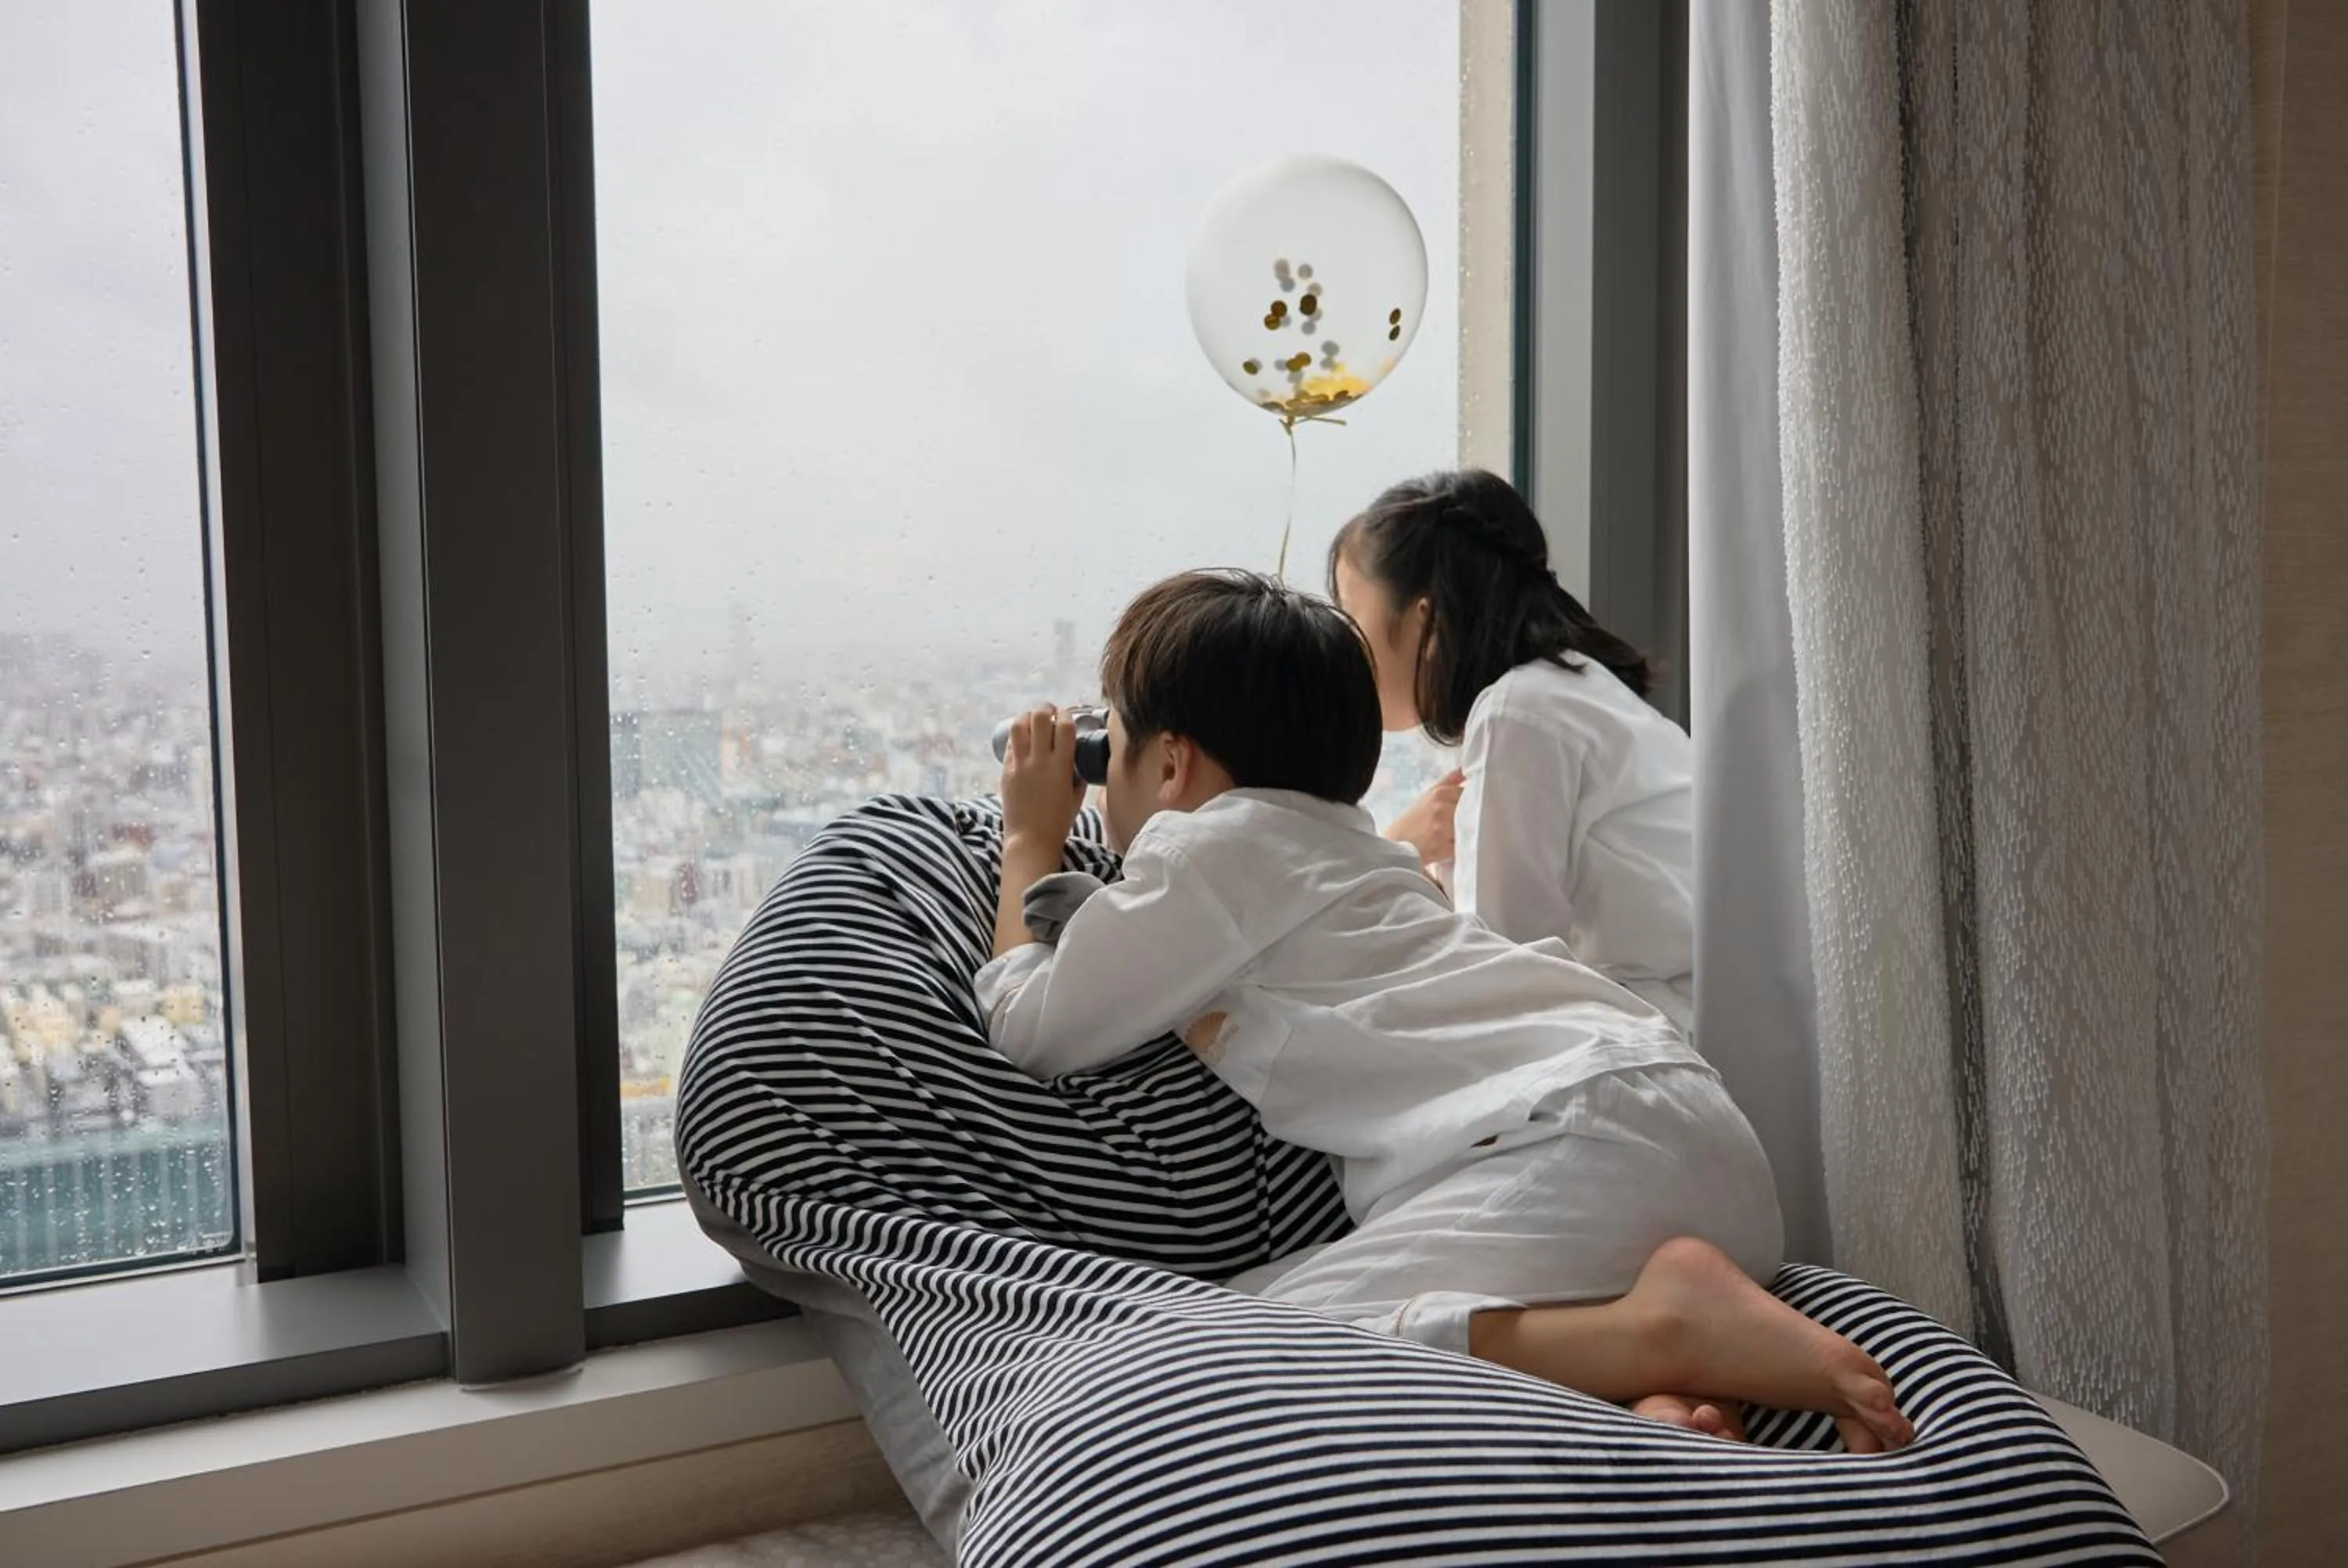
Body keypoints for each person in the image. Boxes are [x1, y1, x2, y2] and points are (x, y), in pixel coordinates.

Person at [974, 570, 1908, 1451]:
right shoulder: (1368, 862)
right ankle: (1660, 1402)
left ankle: (1660, 1331)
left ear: (1171, 763)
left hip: (1577, 1148)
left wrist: (1030, 837)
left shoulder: (1206, 855)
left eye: (1114, 751)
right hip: (1698, 1146)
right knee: (1311, 1293)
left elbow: (1033, 1026)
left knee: (1235, 1349)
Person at [1331, 469, 1696, 1030]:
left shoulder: (1520, 714)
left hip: (1661, 1034)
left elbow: (1499, 965)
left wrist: (1396, 852)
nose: (1347, 650)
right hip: (1683, 1018)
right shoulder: (1570, 692)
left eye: (1355, 619)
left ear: (1425, 619)